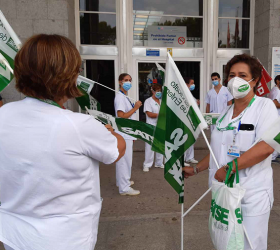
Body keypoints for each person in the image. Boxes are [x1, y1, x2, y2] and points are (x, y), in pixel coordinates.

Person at [0, 34, 126, 250]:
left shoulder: (4, 114)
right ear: (67, 76)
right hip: (65, 239)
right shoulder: (78, 125)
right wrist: (113, 133)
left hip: (14, 236)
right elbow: (116, 151)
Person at [183, 54, 278, 250]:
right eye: (232, 75)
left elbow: (267, 146)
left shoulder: (264, 106)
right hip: (224, 194)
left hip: (252, 193)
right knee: (227, 244)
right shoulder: (226, 113)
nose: (236, 80)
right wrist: (196, 169)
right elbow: (218, 150)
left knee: (250, 245)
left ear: (255, 80)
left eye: (243, 75)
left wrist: (230, 167)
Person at [114, 73, 142, 196]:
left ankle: (122, 182)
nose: (128, 82)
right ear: (120, 82)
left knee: (124, 160)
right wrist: (135, 108)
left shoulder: (124, 97)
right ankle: (124, 188)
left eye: (130, 80)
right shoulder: (120, 97)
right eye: (126, 80)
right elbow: (121, 116)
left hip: (128, 133)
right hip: (123, 133)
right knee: (124, 161)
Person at [143, 83, 164, 172]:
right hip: (151, 126)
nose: (158, 92)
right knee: (150, 146)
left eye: (160, 91)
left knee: (160, 144)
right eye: (157, 91)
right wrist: (160, 115)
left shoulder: (162, 101)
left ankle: (159, 163)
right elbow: (149, 114)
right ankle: (147, 164)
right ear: (152, 91)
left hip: (161, 126)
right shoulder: (148, 101)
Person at [184, 77, 199, 165]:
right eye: (192, 83)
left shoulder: (190, 94)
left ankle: (190, 157)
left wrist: (196, 102)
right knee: (185, 139)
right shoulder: (184, 94)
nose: (193, 85)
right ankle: (183, 158)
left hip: (192, 120)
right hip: (186, 119)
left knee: (191, 139)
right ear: (187, 84)